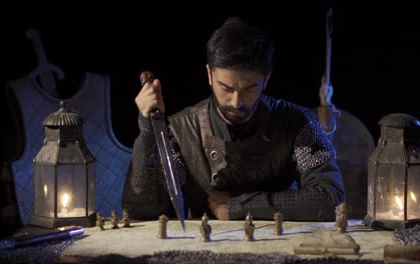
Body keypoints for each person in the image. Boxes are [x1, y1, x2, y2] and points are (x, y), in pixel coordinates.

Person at [122, 17, 345, 222]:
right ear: (209, 75)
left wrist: (241, 206)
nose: (236, 102)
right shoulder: (180, 130)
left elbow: (330, 199)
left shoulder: (297, 122)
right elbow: (142, 208)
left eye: (249, 89)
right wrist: (147, 130)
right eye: (226, 88)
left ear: (266, 78)